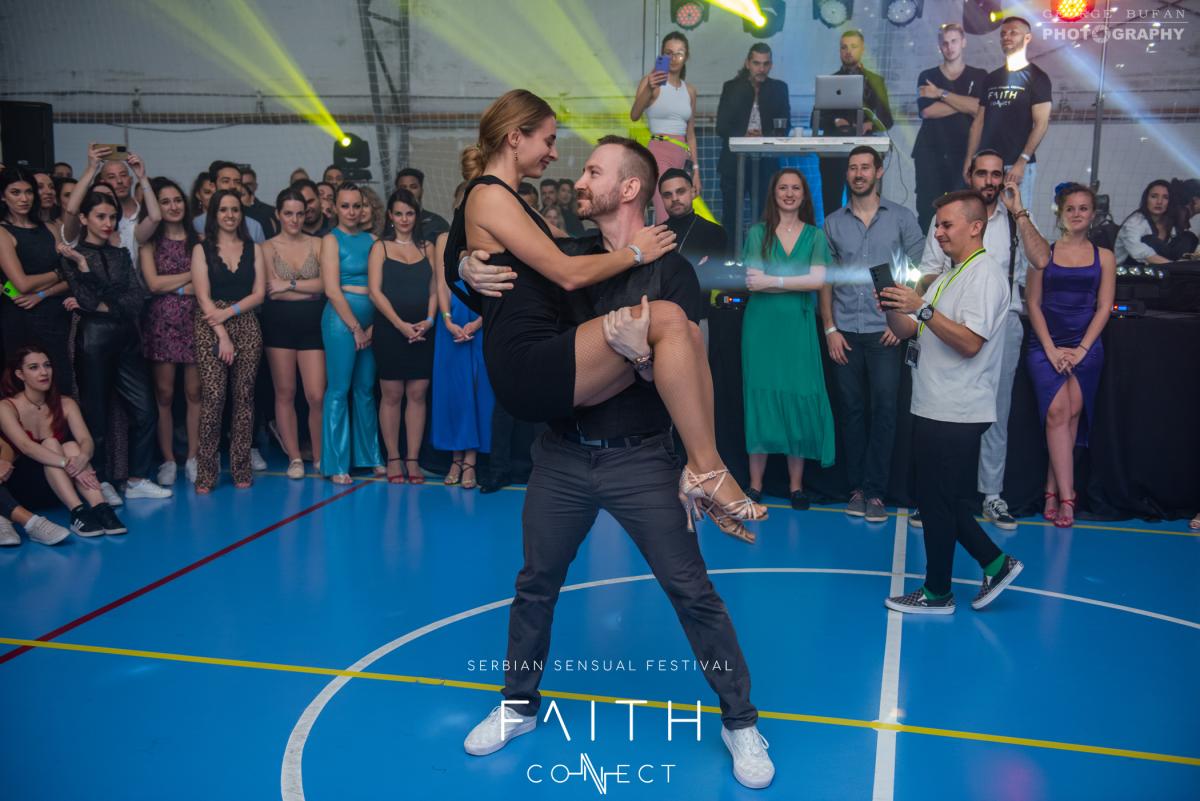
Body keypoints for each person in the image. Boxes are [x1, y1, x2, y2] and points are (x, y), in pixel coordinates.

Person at [456, 128, 774, 790]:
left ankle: (740, 720)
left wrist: (646, 364)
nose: (578, 180)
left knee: (692, 591)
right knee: (535, 583)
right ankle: (518, 704)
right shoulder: (564, 259)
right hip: (563, 454)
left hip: (642, 458)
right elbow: (500, 285)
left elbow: (690, 372)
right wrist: (463, 268)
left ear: (630, 187)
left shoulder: (672, 271)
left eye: (593, 172)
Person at [447, 89, 764, 531]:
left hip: (585, 393)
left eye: (591, 170)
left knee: (688, 333)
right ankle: (707, 469)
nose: (555, 154)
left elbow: (532, 247)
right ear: (516, 137)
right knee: (667, 317)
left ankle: (704, 469)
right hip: (526, 362)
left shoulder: (516, 206)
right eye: (549, 140)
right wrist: (635, 252)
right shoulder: (489, 193)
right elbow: (565, 271)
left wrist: (462, 261)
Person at [879, 190, 1023, 614]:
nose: (938, 232)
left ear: (975, 227)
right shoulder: (950, 274)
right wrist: (892, 308)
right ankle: (994, 563)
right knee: (937, 501)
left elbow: (970, 342)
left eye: (946, 224)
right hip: (933, 403)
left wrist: (922, 308)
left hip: (958, 409)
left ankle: (939, 591)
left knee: (938, 502)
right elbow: (910, 331)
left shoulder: (985, 275)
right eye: (937, 225)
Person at [916, 149, 1047, 530]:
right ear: (969, 176)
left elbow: (1042, 260)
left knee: (994, 412)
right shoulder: (947, 220)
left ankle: (991, 494)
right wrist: (945, 290)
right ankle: (939, 497)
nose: (989, 181)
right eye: (982, 173)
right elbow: (927, 273)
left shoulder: (1015, 220)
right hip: (951, 319)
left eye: (996, 174)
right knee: (945, 411)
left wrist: (1019, 211)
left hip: (1004, 323)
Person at [820, 145, 923, 523]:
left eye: (865, 167)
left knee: (884, 411)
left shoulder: (902, 218)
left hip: (885, 334)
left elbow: (924, 269)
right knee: (850, 411)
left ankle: (876, 493)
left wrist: (903, 318)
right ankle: (857, 490)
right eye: (853, 168)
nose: (858, 173)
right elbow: (826, 280)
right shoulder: (832, 223)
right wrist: (829, 327)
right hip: (845, 332)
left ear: (879, 172)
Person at [57, 192, 173, 502]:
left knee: (145, 410)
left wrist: (101, 303)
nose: (108, 223)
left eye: (112, 217)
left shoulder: (121, 254)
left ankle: (136, 479)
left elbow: (135, 300)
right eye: (101, 216)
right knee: (95, 415)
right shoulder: (73, 256)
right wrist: (83, 265)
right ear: (84, 219)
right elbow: (87, 300)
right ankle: (101, 480)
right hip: (94, 340)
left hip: (127, 338)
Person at [1022, 183, 1115, 527]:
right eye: (1070, 208)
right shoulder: (1042, 253)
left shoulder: (1104, 256)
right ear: (1060, 212)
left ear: (1093, 214)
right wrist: (1051, 350)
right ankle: (1068, 497)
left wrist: (1080, 350)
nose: (1077, 214)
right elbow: (1033, 303)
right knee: (1057, 413)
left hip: (1085, 346)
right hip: (1046, 344)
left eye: (1083, 208)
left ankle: (1052, 490)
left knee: (1071, 415)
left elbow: (1104, 307)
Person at [742, 169, 834, 510]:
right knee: (760, 400)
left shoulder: (816, 236)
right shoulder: (757, 233)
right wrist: (793, 280)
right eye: (783, 187)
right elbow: (753, 282)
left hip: (798, 327)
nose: (790, 193)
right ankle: (755, 485)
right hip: (761, 329)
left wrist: (774, 281)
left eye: (796, 188)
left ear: (804, 195)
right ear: (774, 193)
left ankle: (796, 487)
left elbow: (817, 281)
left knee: (797, 399)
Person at [0, 346, 122, 538]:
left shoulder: (66, 403)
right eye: (34, 367)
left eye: (47, 365)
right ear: (20, 374)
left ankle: (101, 508)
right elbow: (26, 447)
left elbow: (86, 440)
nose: (43, 372)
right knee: (50, 443)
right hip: (23, 488)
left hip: (58, 488)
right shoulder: (6, 406)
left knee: (73, 446)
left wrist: (82, 458)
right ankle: (78, 511)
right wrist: (67, 463)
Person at [189, 190, 266, 493]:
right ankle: (206, 473)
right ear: (214, 214)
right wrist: (222, 333)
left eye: (235, 209)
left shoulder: (254, 248)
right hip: (210, 325)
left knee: (244, 397)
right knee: (213, 397)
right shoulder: (201, 249)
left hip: (246, 321)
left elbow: (259, 294)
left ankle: (241, 468)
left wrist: (230, 313)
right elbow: (203, 297)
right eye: (223, 210)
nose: (230, 215)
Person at [368, 189, 436, 484]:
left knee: (418, 395)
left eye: (409, 213)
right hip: (390, 331)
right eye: (399, 213)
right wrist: (400, 325)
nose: (404, 219)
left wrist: (429, 321)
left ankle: (413, 460)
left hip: (423, 331)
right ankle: (394, 457)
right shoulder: (380, 248)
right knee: (392, 395)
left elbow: (435, 289)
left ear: (416, 215)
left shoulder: (428, 247)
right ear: (390, 216)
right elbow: (375, 292)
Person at [139, 177, 202, 486]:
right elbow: (153, 284)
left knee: (195, 392)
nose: (173, 206)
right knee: (164, 394)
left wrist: (174, 284)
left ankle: (193, 456)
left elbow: (206, 283)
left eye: (177, 200)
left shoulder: (199, 240)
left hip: (196, 321)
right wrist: (190, 278)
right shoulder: (149, 242)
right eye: (165, 202)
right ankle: (167, 459)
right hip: (161, 323)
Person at [260, 189, 326, 480]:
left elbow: (325, 285)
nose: (295, 219)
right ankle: (295, 457)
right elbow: (269, 291)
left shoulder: (319, 243)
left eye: (300, 213)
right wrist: (306, 289)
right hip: (279, 326)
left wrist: (288, 284)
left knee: (316, 394)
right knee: (285, 392)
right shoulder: (266, 248)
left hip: (313, 326)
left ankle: (320, 456)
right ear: (278, 215)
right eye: (288, 213)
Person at [320, 183, 383, 484]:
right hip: (340, 321)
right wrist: (356, 329)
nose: (352, 211)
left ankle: (370, 456)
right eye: (345, 206)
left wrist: (372, 326)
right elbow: (332, 290)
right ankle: (336, 464)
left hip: (370, 321)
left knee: (365, 388)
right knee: (339, 388)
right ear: (335, 208)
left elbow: (382, 287)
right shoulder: (331, 240)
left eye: (357, 205)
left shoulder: (373, 240)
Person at [432, 183, 492, 490]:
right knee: (453, 392)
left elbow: (496, 286)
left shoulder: (490, 240)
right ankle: (455, 458)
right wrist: (447, 319)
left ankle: (471, 460)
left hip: (481, 319)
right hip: (451, 322)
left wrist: (479, 322)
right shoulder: (443, 239)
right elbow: (440, 283)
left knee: (478, 393)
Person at [965, 16, 1051, 213]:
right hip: (987, 164)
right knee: (984, 218)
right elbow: (978, 122)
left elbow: (1041, 124)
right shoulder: (992, 78)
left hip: (1016, 165)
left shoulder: (1037, 77)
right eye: (1003, 33)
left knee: (1017, 218)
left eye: (1013, 33)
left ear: (1027, 38)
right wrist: (970, 160)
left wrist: (1022, 161)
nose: (1006, 37)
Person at [0, 169, 73, 395]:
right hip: (21, 316)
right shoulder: (2, 232)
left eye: (29, 192)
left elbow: (72, 278)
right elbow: (21, 284)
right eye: (15, 192)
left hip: (55, 314)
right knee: (25, 385)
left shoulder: (50, 227)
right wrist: (58, 273)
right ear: (2, 196)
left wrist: (42, 293)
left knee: (61, 382)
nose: (24, 198)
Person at [912, 23, 988, 231]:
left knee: (962, 209)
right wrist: (966, 103)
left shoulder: (979, 75)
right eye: (945, 43)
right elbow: (928, 111)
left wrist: (940, 94)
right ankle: (927, 252)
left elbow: (980, 109)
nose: (949, 47)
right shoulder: (927, 75)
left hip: (964, 152)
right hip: (930, 151)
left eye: (954, 41)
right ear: (940, 46)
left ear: (963, 42)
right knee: (928, 208)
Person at [815, 30, 894, 216]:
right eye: (844, 47)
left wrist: (869, 125)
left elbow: (887, 119)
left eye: (853, 46)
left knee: (864, 206)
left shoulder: (875, 81)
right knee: (831, 205)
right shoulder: (829, 81)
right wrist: (836, 121)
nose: (848, 51)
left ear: (862, 49)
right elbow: (815, 119)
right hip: (833, 154)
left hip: (864, 152)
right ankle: (832, 236)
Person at [716, 43, 790, 226]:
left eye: (766, 64)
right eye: (757, 63)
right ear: (747, 63)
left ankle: (762, 247)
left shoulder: (779, 88)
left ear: (771, 65)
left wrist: (764, 136)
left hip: (766, 163)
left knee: (766, 218)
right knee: (731, 218)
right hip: (734, 163)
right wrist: (744, 136)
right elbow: (721, 127)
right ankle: (731, 247)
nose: (761, 69)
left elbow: (786, 125)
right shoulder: (731, 88)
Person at [631, 31, 700, 223]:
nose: (674, 58)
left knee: (683, 212)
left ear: (686, 56)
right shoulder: (651, 82)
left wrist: (696, 170)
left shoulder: (690, 90)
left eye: (679, 53)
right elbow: (634, 115)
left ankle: (675, 243)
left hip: (682, 157)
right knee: (666, 212)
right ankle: (663, 242)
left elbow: (691, 134)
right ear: (662, 55)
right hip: (659, 152)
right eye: (669, 53)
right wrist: (649, 88)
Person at [62, 145, 162, 266]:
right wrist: (92, 168)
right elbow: (71, 210)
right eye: (100, 216)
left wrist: (142, 176)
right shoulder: (81, 228)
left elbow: (155, 217)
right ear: (84, 218)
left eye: (123, 175)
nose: (119, 181)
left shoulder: (132, 229)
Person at [1115, 180, 1199, 265]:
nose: (1159, 202)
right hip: (1130, 269)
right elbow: (1137, 251)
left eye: (1165, 197)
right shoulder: (1135, 222)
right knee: (1149, 240)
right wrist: (1173, 266)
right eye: (1154, 196)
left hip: (1163, 269)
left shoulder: (1170, 222)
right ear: (1146, 199)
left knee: (1188, 238)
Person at [193, 161, 266, 243]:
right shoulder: (198, 223)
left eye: (237, 182)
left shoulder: (254, 226)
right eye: (226, 181)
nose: (232, 186)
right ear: (213, 186)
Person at [395, 168, 450, 239]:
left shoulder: (438, 224)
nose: (408, 191)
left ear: (421, 191)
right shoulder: (388, 223)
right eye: (403, 187)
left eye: (413, 187)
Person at [239, 166, 279, 238]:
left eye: (248, 184)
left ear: (256, 186)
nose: (244, 188)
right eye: (240, 184)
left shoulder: (270, 212)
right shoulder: (229, 213)